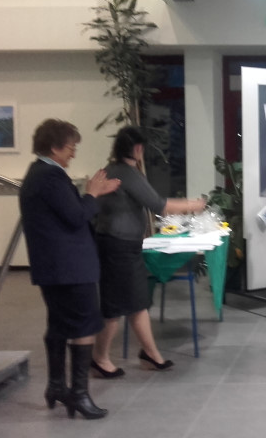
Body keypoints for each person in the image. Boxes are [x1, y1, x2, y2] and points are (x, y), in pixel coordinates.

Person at [19, 118, 120, 419]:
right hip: (69, 269)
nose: (73, 153)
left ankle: (56, 386)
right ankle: (79, 394)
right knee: (83, 326)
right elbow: (77, 217)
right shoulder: (51, 177)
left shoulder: (36, 174)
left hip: (54, 268)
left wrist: (91, 194)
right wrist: (93, 193)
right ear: (54, 148)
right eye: (70, 147)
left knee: (59, 324)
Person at [92, 126, 206, 377]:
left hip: (123, 245)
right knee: (115, 306)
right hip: (117, 246)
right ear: (137, 148)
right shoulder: (126, 173)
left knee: (138, 302)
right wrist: (194, 205)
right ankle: (99, 359)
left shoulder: (114, 169)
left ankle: (150, 355)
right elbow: (158, 205)